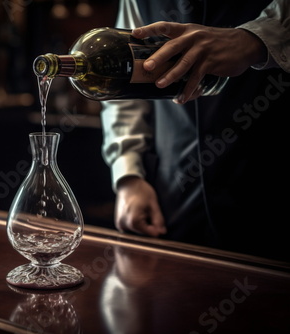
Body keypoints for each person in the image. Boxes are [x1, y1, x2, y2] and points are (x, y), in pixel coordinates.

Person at [101, 0, 290, 261]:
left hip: (269, 192)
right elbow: (126, 86)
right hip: (172, 194)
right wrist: (128, 176)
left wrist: (254, 39)